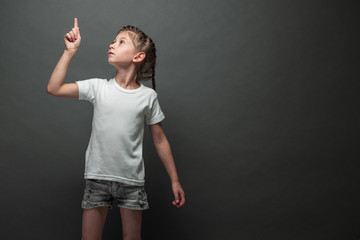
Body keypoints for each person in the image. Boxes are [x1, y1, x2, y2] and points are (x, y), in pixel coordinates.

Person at [47, 18, 185, 240]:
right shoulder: (98, 87)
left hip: (132, 182)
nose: (112, 45)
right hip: (97, 177)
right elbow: (54, 88)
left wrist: (175, 180)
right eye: (113, 41)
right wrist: (69, 52)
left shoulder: (148, 97)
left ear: (137, 57)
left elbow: (160, 140)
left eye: (121, 42)